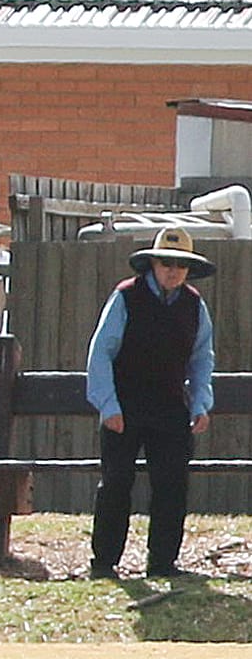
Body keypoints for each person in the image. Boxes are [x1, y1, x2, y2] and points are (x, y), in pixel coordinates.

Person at [85, 226, 215, 580]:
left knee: (172, 483)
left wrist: (201, 403)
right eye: (165, 262)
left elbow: (202, 359)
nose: (172, 270)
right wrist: (108, 406)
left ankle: (162, 563)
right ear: (152, 264)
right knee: (116, 482)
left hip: (172, 405)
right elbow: (101, 354)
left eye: (180, 264)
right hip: (124, 406)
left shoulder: (194, 305)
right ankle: (104, 563)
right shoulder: (126, 297)